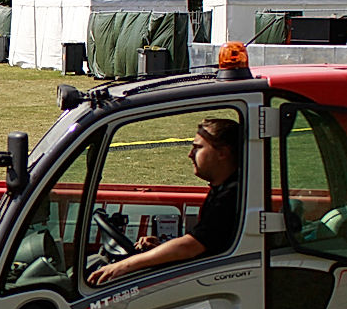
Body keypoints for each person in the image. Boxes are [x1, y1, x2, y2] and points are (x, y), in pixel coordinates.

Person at [90, 117, 241, 285]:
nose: (189, 154)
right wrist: (160, 248)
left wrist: (123, 265)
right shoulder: (222, 189)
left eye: (198, 148)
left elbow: (191, 247)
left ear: (223, 153)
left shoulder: (231, 196)